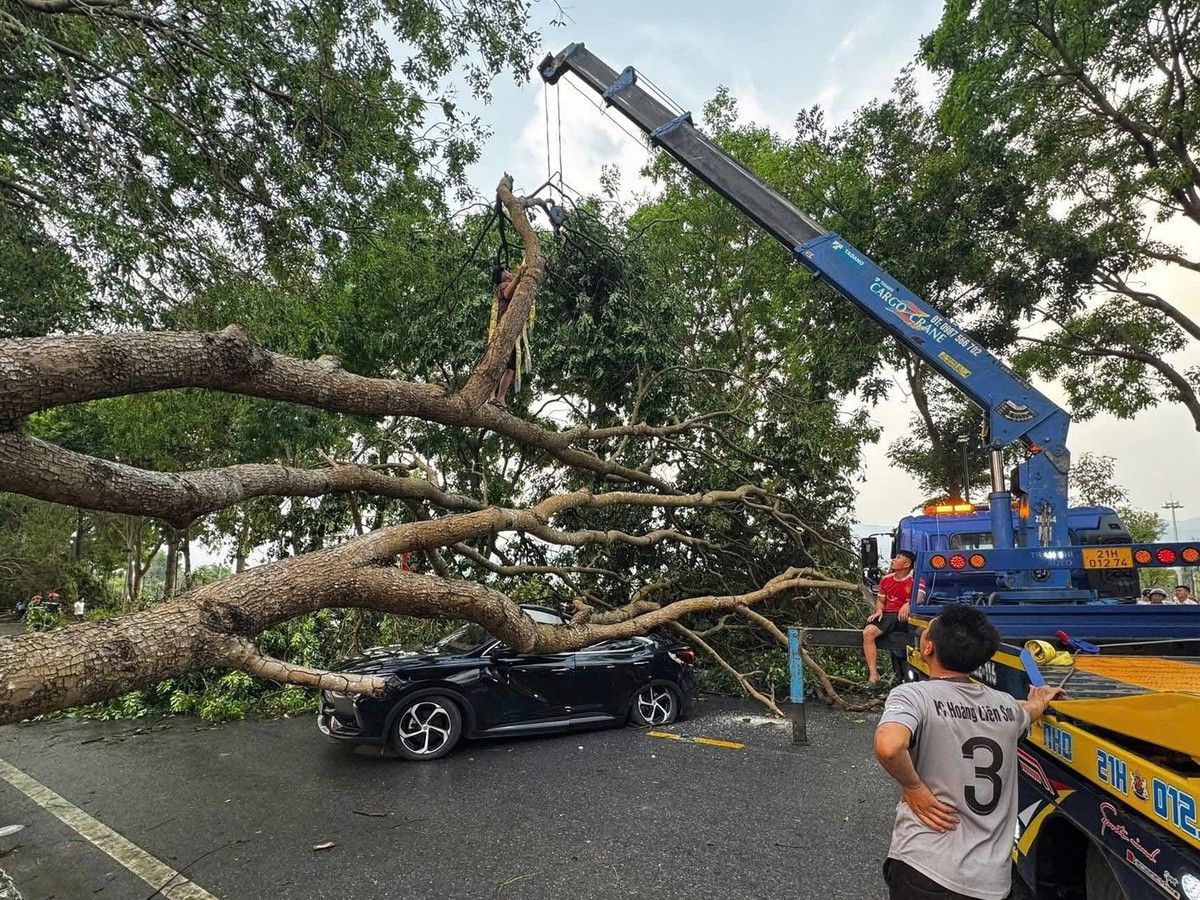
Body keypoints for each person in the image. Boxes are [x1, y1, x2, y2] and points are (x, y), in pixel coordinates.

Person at [875, 604, 1064, 900]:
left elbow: (889, 746)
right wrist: (1041, 699)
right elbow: (1029, 709)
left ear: (927, 648)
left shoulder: (914, 695)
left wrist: (914, 788)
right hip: (990, 882)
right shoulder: (1005, 706)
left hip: (926, 868)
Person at [864, 550, 925, 685]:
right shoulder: (886, 580)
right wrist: (879, 610)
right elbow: (881, 600)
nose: (892, 560)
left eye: (897, 558)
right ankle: (874, 674)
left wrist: (908, 604)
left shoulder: (915, 579)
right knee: (868, 632)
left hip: (909, 616)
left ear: (906, 564)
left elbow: (920, 597)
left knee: (925, 633)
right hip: (890, 615)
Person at [487, 268, 519, 410]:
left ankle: (501, 398)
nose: (510, 273)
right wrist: (518, 277)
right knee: (498, 363)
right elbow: (507, 295)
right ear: (505, 275)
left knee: (511, 367)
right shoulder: (503, 286)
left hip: (511, 332)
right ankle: (492, 396)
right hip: (503, 330)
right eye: (508, 272)